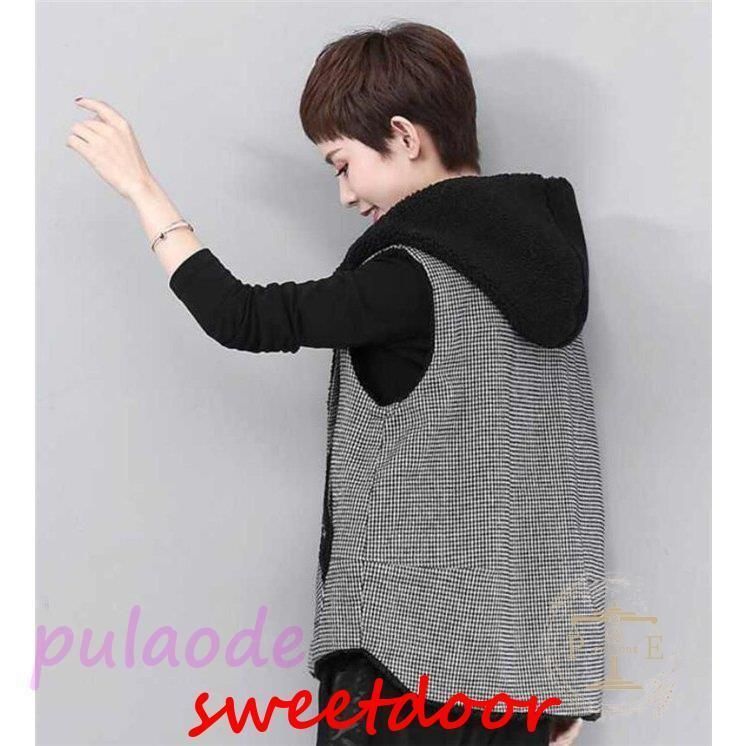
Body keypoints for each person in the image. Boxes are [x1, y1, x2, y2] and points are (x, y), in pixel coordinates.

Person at [66, 20, 603, 746]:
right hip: (523, 685)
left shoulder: (406, 279)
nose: (345, 195)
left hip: (402, 671)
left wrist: (142, 189)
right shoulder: (546, 276)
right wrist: (560, 694)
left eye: (341, 163)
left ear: (404, 136)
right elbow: (559, 492)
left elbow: (242, 315)